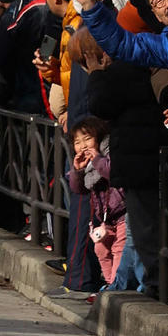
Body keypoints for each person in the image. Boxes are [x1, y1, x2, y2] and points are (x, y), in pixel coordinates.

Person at [66, 116, 126, 287]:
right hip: (106, 219)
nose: (83, 146)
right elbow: (78, 189)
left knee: (118, 250)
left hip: (121, 212)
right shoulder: (87, 164)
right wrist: (77, 170)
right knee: (101, 249)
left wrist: (98, 160)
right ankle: (109, 284)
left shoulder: (105, 155)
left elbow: (112, 172)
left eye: (87, 139)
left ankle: (115, 287)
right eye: (77, 142)